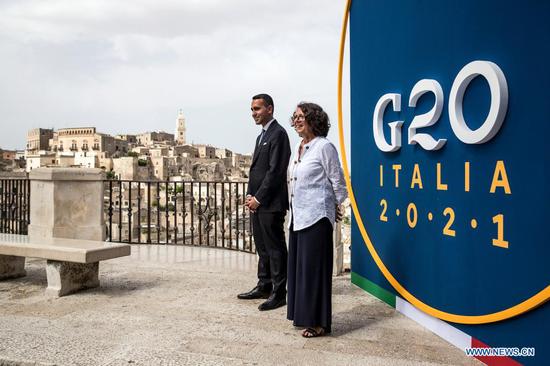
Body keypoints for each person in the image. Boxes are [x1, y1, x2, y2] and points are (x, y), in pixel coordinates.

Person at [286, 102, 348, 337]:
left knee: (314, 272)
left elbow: (337, 179)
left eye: (302, 116)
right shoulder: (299, 147)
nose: (297, 120)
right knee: (300, 271)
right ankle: (303, 316)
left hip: (316, 217)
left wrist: (336, 205)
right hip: (298, 216)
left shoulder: (324, 147)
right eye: (295, 117)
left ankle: (318, 322)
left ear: (314, 119)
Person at [238, 93, 291, 311]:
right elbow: (256, 172)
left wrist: (258, 198)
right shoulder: (262, 136)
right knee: (262, 247)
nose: (254, 114)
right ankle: (264, 285)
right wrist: (251, 196)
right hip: (258, 203)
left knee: (275, 248)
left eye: (257, 109)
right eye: (252, 109)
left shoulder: (278, 134)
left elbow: (275, 172)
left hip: (271, 204)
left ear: (270, 109)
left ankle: (280, 293)